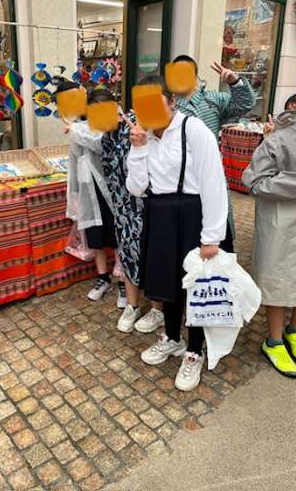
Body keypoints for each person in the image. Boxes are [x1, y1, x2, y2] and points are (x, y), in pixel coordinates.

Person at [126, 75, 228, 391]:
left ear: (172, 102)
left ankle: (195, 350)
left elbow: (214, 182)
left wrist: (211, 237)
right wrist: (138, 150)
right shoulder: (144, 137)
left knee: (194, 286)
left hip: (191, 214)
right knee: (165, 281)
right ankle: (172, 337)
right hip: (159, 214)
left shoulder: (193, 130)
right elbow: (137, 188)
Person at [242, 65, 296, 378]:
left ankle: (295, 331)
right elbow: (254, 181)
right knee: (280, 280)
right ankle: (273, 340)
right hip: (284, 225)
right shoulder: (281, 138)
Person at [90, 88, 164, 334]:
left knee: (152, 256)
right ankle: (132, 306)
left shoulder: (137, 125)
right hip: (122, 209)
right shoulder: (106, 138)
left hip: (147, 205)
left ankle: (158, 309)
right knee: (127, 255)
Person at [60, 81, 125, 306]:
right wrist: (74, 196)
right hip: (89, 190)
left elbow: (99, 143)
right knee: (96, 238)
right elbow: (74, 161)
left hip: (114, 191)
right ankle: (103, 278)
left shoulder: (115, 125)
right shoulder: (80, 127)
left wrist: (75, 131)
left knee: (118, 237)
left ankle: (123, 283)